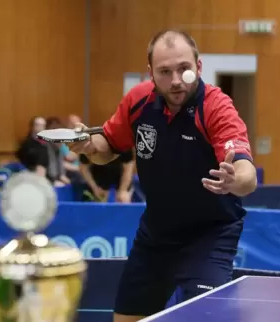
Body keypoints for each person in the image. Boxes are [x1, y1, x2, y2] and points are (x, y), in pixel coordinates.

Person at [68, 29, 257, 321]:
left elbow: (247, 174)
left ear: (199, 66)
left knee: (204, 316)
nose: (177, 80)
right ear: (151, 73)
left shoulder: (217, 108)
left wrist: (236, 180)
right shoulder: (138, 101)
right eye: (165, 72)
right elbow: (109, 145)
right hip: (156, 234)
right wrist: (89, 145)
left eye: (184, 69)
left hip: (209, 234)